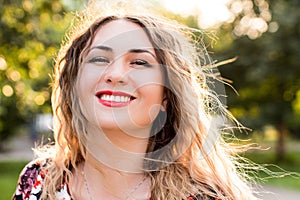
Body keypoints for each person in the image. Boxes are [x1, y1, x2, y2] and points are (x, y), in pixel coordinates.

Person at [12, 1, 260, 199]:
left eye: (139, 62)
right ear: (76, 85)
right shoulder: (38, 181)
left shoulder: (204, 196)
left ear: (166, 97)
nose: (115, 74)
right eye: (99, 59)